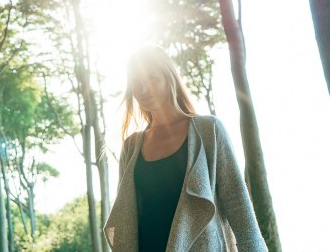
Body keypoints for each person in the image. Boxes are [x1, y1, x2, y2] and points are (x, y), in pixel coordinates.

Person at [103, 45, 267, 252]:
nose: (144, 89)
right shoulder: (131, 146)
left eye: (152, 79)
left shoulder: (209, 130)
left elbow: (238, 204)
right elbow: (127, 217)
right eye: (137, 83)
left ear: (169, 77)